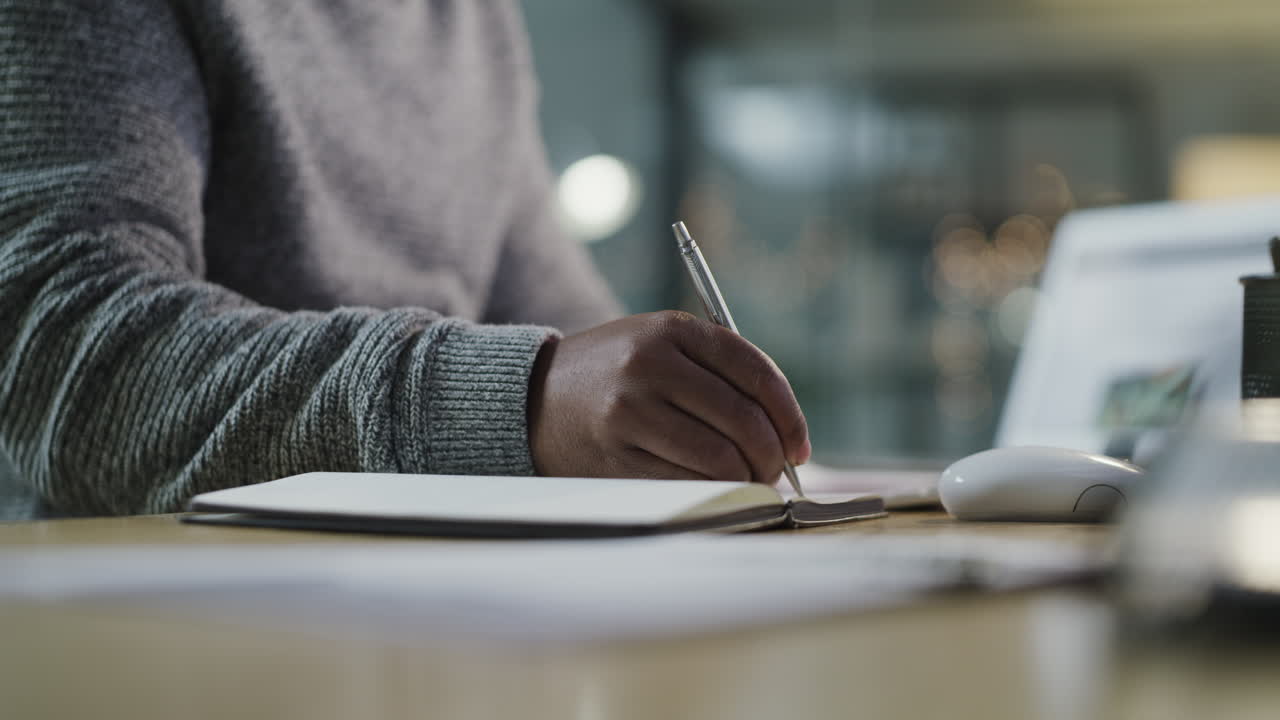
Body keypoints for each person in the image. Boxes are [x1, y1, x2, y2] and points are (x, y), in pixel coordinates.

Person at [0, 0, 810, 521]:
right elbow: (58, 349)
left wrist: (675, 413)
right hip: (161, 637)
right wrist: (522, 401)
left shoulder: (471, 22)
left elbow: (571, 331)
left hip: (435, 623)